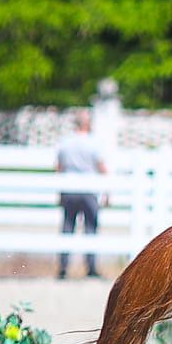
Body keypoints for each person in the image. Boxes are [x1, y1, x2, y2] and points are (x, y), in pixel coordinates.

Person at [55, 109, 107, 280]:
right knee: (91, 227)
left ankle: (63, 267)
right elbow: (101, 167)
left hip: (69, 189)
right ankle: (91, 267)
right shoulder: (94, 143)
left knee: (67, 227)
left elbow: (59, 167)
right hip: (89, 190)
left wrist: (59, 189)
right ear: (88, 124)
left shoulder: (65, 142)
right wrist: (107, 190)